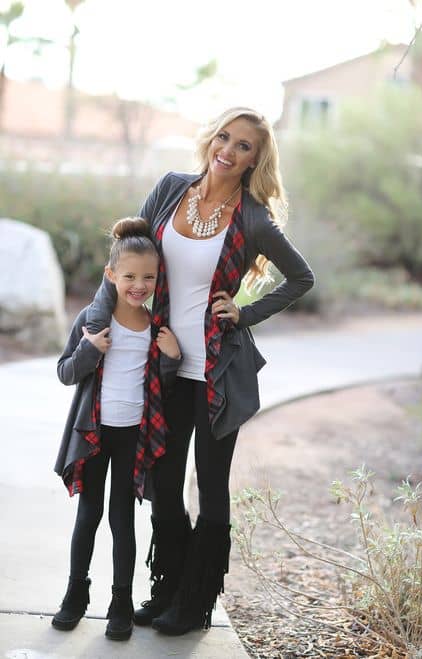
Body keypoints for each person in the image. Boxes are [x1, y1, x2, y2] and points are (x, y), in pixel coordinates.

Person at [86, 106, 315, 636]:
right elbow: (127, 256)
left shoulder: (254, 218)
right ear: (211, 138)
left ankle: (194, 607)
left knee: (210, 487)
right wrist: (99, 324)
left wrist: (245, 311)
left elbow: (300, 277)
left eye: (244, 146)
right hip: (163, 364)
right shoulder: (170, 189)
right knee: (164, 484)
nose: (228, 151)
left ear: (256, 159)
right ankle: (167, 587)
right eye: (225, 137)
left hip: (216, 371)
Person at [52, 218, 181, 641]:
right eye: (129, 276)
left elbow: (163, 385)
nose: (139, 284)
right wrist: (90, 351)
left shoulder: (156, 328)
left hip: (133, 436)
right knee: (88, 514)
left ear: (157, 278)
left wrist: (171, 358)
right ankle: (75, 594)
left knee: (122, 519)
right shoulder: (93, 321)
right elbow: (65, 372)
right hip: (94, 433)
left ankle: (121, 602)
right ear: (112, 276)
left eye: (148, 277)